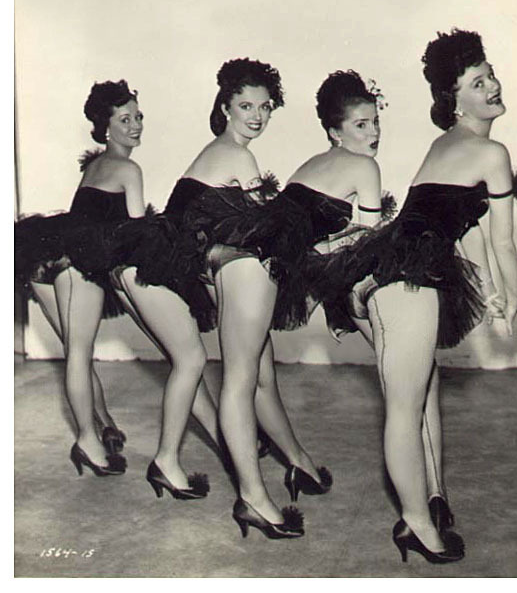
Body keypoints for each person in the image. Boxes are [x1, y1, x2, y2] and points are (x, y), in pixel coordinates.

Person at [280, 31, 517, 563]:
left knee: (422, 390)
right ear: (453, 101)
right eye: (476, 83)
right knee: (404, 404)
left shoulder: (447, 145)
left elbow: (471, 226)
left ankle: (433, 499)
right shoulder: (490, 151)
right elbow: (503, 239)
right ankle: (416, 522)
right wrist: (513, 300)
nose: (492, 86)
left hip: (391, 270)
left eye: (490, 76)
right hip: (406, 280)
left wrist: (487, 288)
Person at [147, 58, 332, 538]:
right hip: (171, 269)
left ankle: (299, 463)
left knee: (258, 372)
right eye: (246, 105)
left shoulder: (223, 151)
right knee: (240, 377)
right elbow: (265, 231)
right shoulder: (238, 157)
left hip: (179, 265)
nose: (257, 115)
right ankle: (252, 496)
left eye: (265, 107)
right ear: (225, 106)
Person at [15, 79, 144, 475]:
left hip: (41, 253)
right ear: (105, 127)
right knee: (80, 351)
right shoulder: (128, 169)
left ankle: (103, 426)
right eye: (125, 119)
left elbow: (83, 218)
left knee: (76, 350)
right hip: (74, 263)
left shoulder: (94, 165)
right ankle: (87, 440)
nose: (136, 125)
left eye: (138, 116)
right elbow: (140, 233)